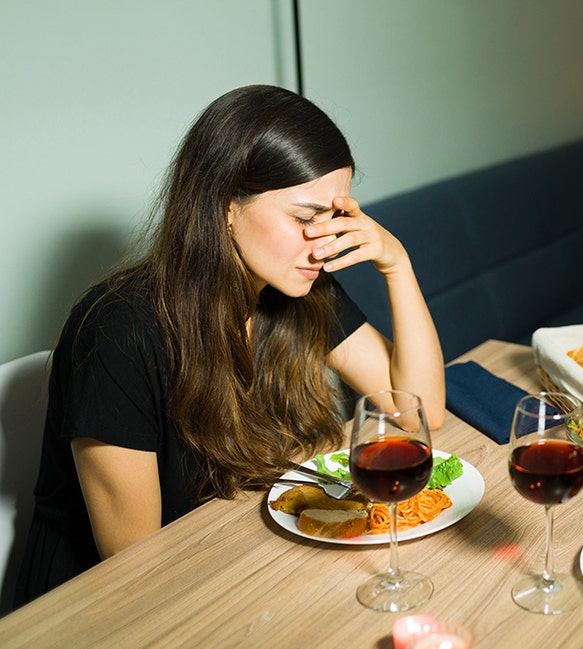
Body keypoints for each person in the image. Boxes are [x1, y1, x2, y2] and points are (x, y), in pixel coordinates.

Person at [16, 85, 445, 604]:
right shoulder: (116, 330)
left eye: (333, 219)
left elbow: (417, 413)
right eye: (305, 219)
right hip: (96, 610)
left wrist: (397, 265)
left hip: (226, 563)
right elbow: (135, 565)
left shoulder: (296, 283)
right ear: (224, 206)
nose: (324, 241)